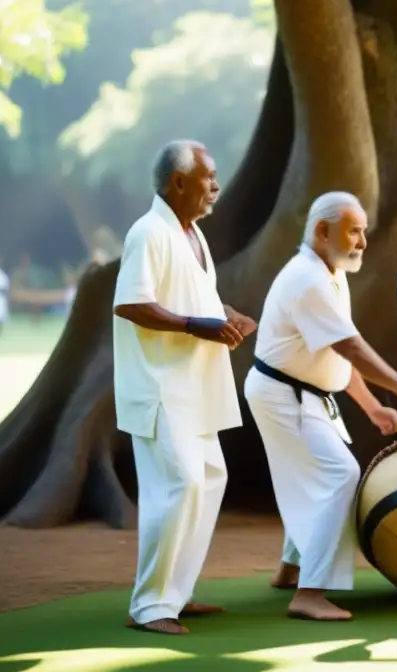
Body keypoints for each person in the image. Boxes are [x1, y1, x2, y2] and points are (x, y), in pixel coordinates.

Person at [245, 191, 397, 622]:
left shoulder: (329, 271)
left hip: (300, 393)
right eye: (353, 231)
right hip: (284, 395)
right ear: (322, 232)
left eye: (362, 232)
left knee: (308, 475)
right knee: (339, 474)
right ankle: (309, 593)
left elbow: (338, 350)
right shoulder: (308, 279)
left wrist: (374, 406)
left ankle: (291, 568)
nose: (361, 241)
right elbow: (353, 349)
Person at [113, 139, 257, 636]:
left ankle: (177, 593)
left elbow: (197, 296)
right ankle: (149, 605)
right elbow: (131, 304)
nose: (216, 185)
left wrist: (227, 315)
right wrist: (200, 325)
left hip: (195, 390)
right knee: (180, 486)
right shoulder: (148, 232)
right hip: (159, 389)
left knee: (208, 481)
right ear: (178, 182)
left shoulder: (191, 233)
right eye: (207, 176)